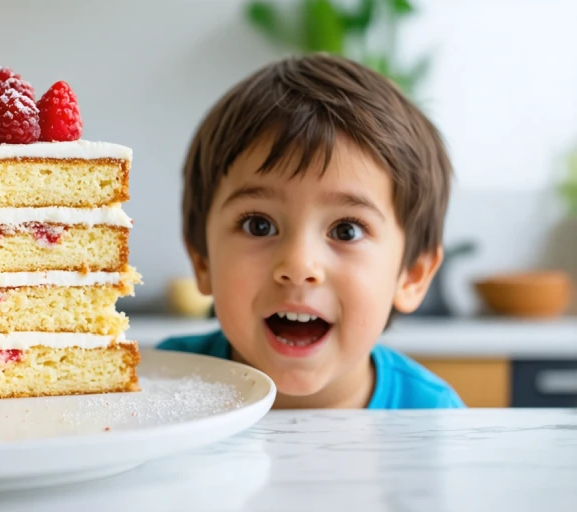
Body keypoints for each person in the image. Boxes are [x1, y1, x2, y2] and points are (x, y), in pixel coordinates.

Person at [158, 53, 465, 409]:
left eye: (346, 230)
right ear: (203, 262)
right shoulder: (164, 384)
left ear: (412, 275)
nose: (300, 265)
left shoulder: (434, 420)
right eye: (259, 225)